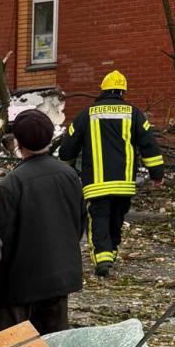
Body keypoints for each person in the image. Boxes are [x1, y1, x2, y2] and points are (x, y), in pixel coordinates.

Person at [0, 107, 86, 335]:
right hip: (59, 279)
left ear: (18, 143)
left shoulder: (9, 186)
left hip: (17, 287)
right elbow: (79, 223)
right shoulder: (69, 176)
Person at [60, 70, 164, 278]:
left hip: (96, 185)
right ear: (122, 91)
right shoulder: (134, 114)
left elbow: (68, 147)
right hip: (123, 184)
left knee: (98, 219)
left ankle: (103, 259)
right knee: (116, 219)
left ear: (103, 90)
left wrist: (66, 168)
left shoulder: (88, 114)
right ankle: (111, 253)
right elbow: (149, 145)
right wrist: (157, 174)